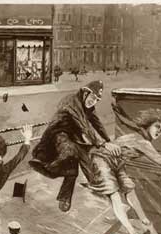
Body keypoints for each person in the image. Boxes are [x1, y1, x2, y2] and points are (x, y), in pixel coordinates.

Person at [29, 80, 120, 212]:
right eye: (93, 98)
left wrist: (107, 140)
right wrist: (103, 143)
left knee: (87, 159)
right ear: (85, 93)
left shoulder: (87, 106)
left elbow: (96, 123)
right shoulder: (71, 102)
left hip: (74, 136)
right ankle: (51, 175)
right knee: (71, 156)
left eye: (97, 100)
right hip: (57, 134)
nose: (93, 102)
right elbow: (83, 124)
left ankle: (98, 187)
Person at [87, 108, 161, 234]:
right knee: (115, 196)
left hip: (116, 163)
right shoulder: (142, 142)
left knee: (130, 191)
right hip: (102, 160)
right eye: (157, 126)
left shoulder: (138, 138)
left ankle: (146, 224)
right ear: (148, 125)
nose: (159, 131)